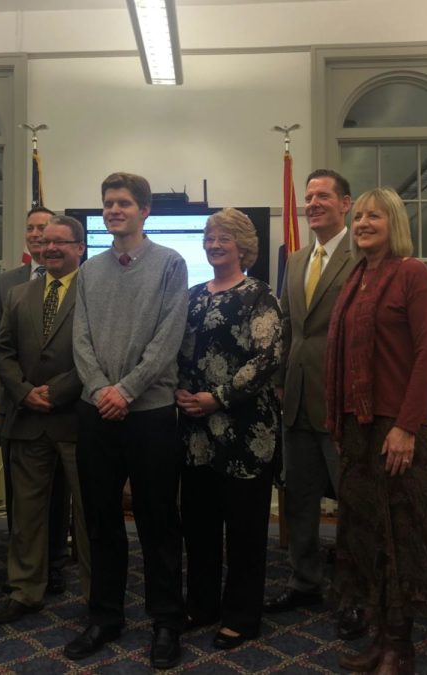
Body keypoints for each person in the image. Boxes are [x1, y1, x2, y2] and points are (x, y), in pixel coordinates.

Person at [325, 187, 427, 674]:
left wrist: (405, 427)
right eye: (358, 216)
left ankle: (401, 649)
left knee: (401, 539)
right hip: (358, 428)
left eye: (373, 216)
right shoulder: (357, 278)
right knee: (365, 538)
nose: (361, 223)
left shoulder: (413, 275)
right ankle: (380, 640)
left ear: (394, 222)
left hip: (398, 427)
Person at [66, 172, 188, 669]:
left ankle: (166, 622)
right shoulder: (90, 271)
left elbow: (168, 336)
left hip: (151, 413)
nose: (113, 210)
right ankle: (105, 616)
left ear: (144, 210)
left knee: (159, 521)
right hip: (98, 414)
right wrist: (100, 391)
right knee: (101, 522)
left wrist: (128, 389)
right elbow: (81, 340)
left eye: (123, 203)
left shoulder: (170, 264)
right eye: (107, 204)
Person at [264, 169, 366, 640]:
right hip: (297, 400)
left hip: (344, 402)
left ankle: (357, 597)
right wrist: (282, 380)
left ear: (345, 204)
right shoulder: (298, 257)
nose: (313, 203)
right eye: (308, 197)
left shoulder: (362, 253)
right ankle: (305, 582)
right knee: (299, 501)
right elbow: (289, 325)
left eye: (323, 195)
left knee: (353, 504)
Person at [176, 208, 282, 649]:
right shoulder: (192, 295)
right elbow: (177, 352)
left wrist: (215, 397)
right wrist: (183, 394)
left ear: (244, 247)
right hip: (196, 432)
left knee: (244, 530)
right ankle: (202, 605)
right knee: (198, 525)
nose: (214, 244)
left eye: (223, 238)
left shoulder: (260, 295)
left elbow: (267, 359)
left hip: (245, 430)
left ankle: (241, 615)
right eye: (209, 237)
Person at [0, 215, 92, 624]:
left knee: (87, 515)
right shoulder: (18, 295)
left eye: (60, 243)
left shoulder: (95, 292)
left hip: (77, 420)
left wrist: (58, 391)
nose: (50, 249)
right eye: (45, 243)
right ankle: (25, 590)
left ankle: (94, 594)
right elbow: (1, 351)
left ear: (80, 248)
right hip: (28, 418)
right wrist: (24, 391)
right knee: (27, 516)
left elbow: (99, 351)